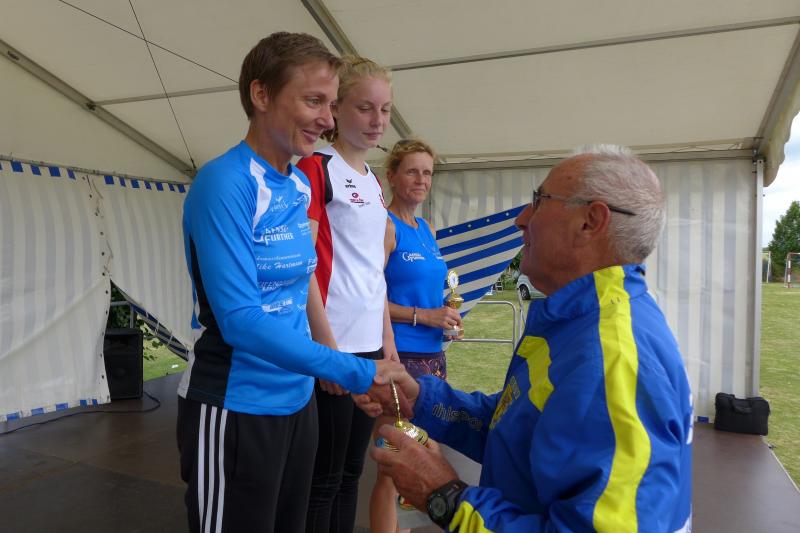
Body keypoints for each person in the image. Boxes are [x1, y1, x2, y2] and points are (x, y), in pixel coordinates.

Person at [362, 145, 694, 532]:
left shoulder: (612, 361)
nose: (522, 219)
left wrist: (447, 498)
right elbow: (519, 428)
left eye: (539, 201)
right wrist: (423, 398)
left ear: (590, 222)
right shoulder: (578, 322)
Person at [177, 33, 402, 533]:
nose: (327, 119)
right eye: (313, 101)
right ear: (261, 95)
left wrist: (338, 368)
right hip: (235, 403)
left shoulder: (298, 183)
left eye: (330, 104)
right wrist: (350, 369)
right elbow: (241, 321)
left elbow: (301, 291)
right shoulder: (225, 182)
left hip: (297, 403)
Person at [296, 55, 398, 533]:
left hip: (369, 346)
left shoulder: (373, 181)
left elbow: (374, 272)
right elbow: (303, 268)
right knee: (324, 478)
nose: (378, 120)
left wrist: (388, 342)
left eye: (385, 110)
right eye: (365, 108)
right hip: (334, 344)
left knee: (353, 472)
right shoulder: (317, 167)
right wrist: (327, 352)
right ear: (337, 109)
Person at [370, 139, 463, 532]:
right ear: (392, 176)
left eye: (427, 173)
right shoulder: (385, 225)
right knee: (393, 466)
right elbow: (369, 296)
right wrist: (423, 316)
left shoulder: (426, 228)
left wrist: (446, 317)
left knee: (418, 460)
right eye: (412, 171)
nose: (421, 180)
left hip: (433, 357)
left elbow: (428, 292)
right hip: (399, 356)